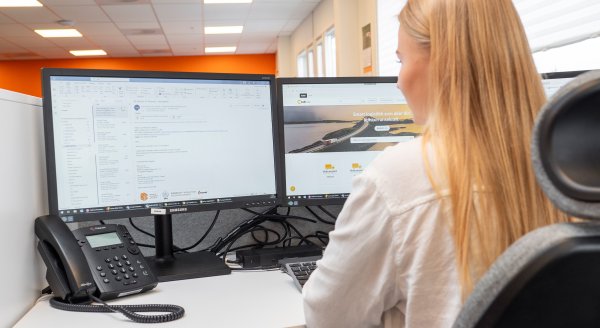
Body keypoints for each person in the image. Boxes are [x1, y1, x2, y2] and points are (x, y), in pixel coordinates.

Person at [302, 0, 570, 327]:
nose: (399, 81)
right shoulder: (568, 168)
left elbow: (327, 316)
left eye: (401, 61)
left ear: (444, 64)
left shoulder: (398, 176)